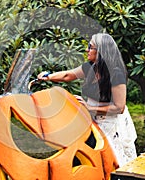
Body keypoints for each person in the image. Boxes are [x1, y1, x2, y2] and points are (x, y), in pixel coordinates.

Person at [37, 33, 137, 167]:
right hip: (91, 120)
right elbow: (68, 75)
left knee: (113, 163)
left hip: (111, 124)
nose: (87, 50)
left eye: (90, 47)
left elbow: (119, 107)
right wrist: (48, 76)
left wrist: (89, 108)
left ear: (101, 51)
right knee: (84, 156)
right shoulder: (90, 67)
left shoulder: (116, 73)